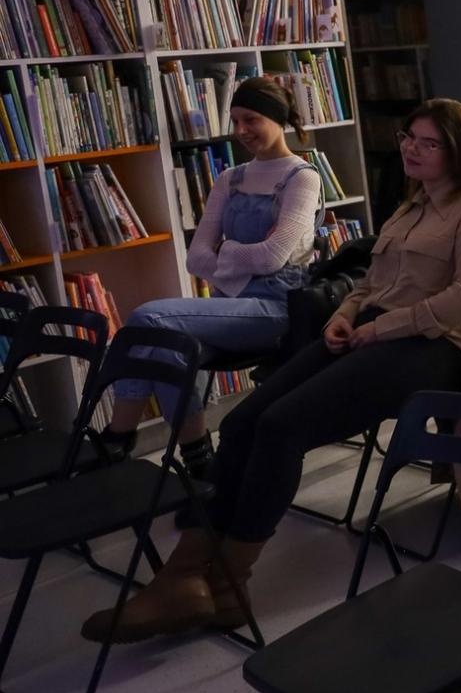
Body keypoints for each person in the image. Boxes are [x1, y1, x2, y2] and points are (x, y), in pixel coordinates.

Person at [82, 98, 461, 643]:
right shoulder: (409, 206)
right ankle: (184, 575)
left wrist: (382, 326)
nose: (411, 148)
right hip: (368, 329)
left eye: (429, 142)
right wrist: (347, 313)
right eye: (408, 136)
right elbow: (370, 282)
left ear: (459, 152)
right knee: (241, 424)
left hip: (429, 347)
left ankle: (230, 582)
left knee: (283, 428)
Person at [98, 78, 321, 479]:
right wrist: (241, 257)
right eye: (234, 120)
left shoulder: (302, 178)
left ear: (278, 118)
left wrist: (227, 251)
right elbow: (195, 259)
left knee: (147, 317)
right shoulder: (229, 178)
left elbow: (273, 259)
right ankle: (200, 461)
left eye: (250, 119)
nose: (240, 131)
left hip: (275, 308)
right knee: (169, 347)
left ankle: (117, 437)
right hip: (228, 307)